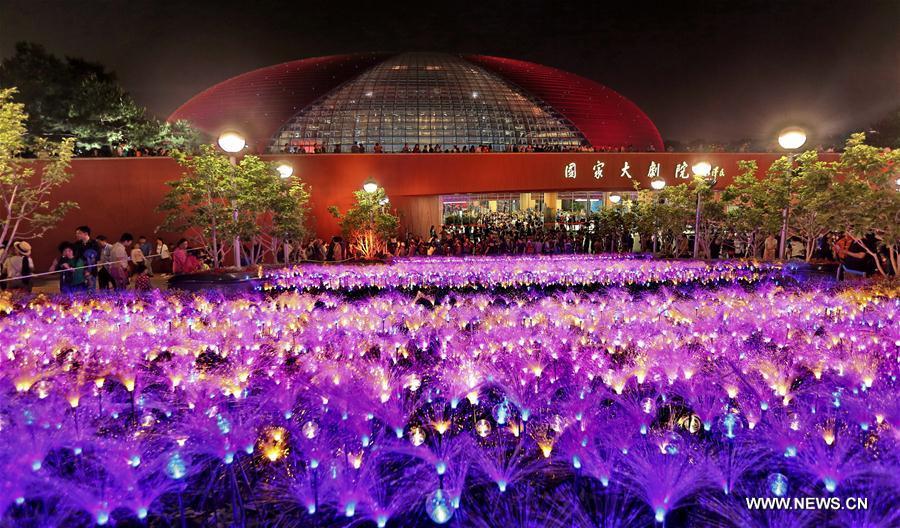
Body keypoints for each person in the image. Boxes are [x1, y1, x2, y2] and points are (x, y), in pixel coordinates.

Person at [74, 226, 101, 290]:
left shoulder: (94, 244)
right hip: (79, 271)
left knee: (91, 290)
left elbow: (97, 257)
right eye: (76, 233)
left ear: (86, 234)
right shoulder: (76, 244)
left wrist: (88, 268)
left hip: (91, 271)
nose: (77, 235)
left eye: (79, 233)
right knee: (81, 292)